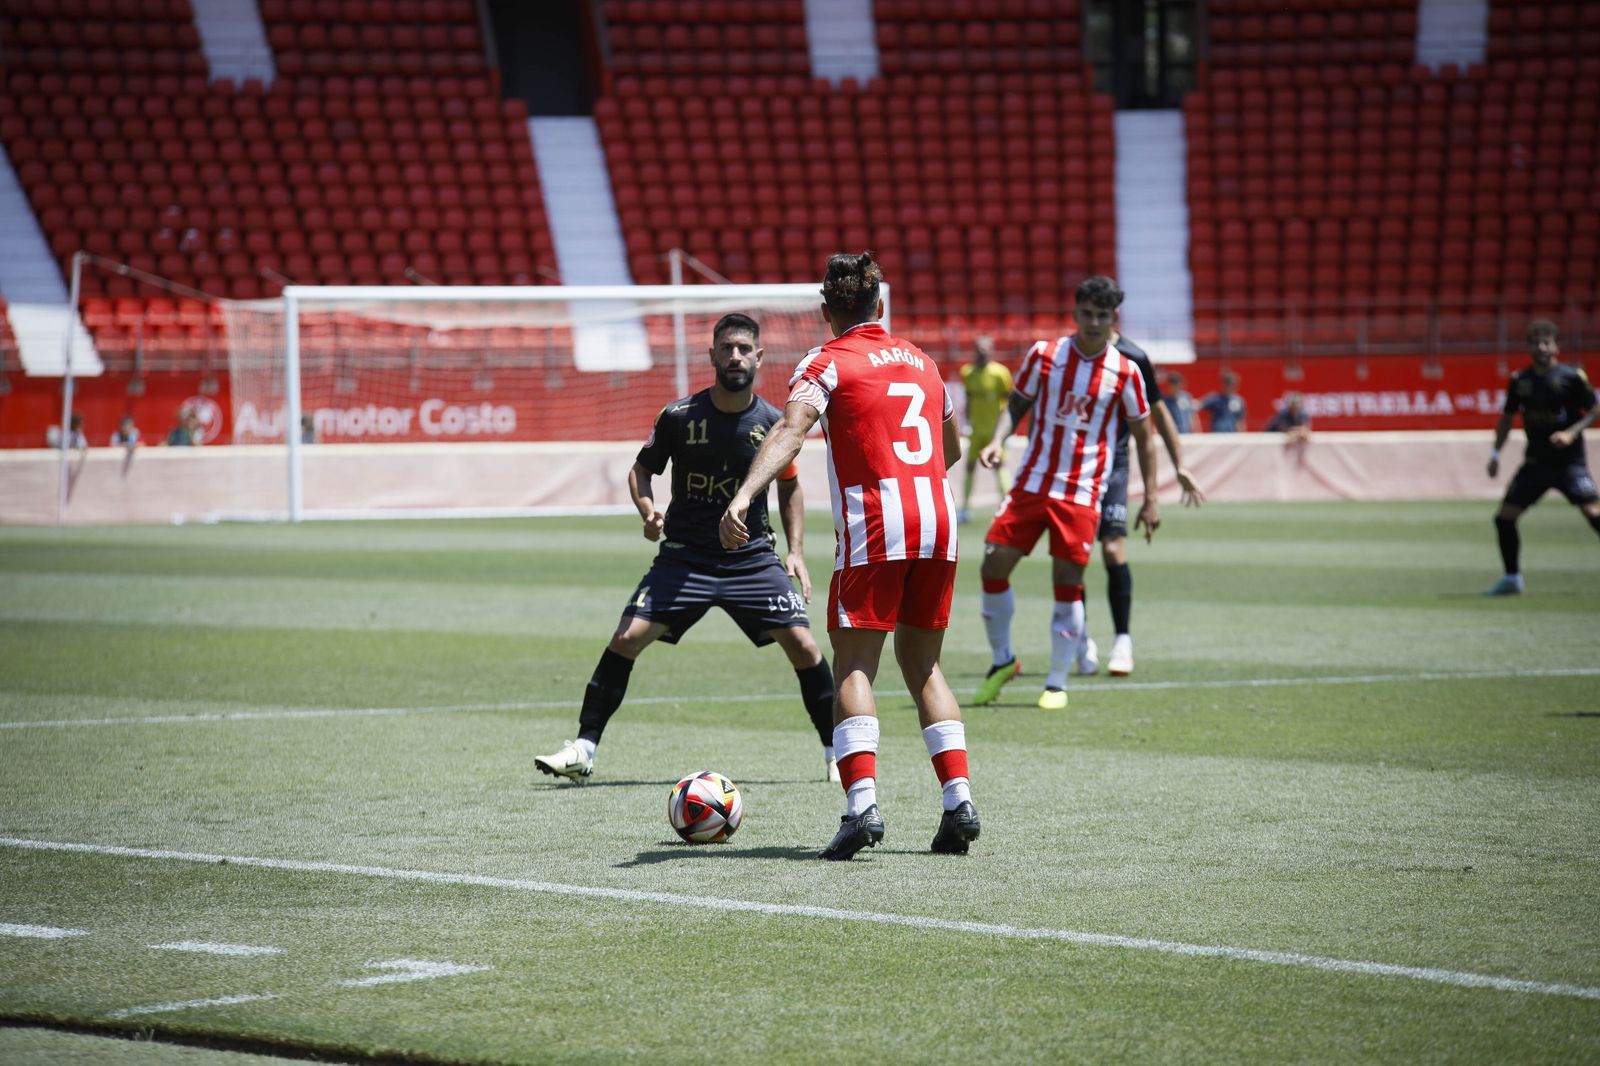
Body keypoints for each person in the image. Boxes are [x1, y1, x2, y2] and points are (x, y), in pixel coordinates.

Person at [720, 251, 977, 861]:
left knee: (855, 665)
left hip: (878, 523)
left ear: (826, 310)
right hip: (939, 523)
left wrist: (744, 494)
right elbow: (953, 450)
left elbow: (789, 430)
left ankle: (861, 808)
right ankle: (959, 802)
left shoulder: (825, 362)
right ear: (879, 305)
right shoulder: (923, 361)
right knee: (926, 666)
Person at [534, 313, 838, 784]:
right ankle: (583, 748)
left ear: (759, 357)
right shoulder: (678, 416)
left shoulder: (774, 424)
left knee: (803, 644)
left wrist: (795, 550)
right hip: (684, 557)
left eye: (743, 348)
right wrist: (647, 510)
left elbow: (790, 488)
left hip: (752, 559)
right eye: (726, 348)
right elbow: (640, 471)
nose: (735, 356)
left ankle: (834, 753)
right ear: (712, 355)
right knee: (627, 638)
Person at [973, 275, 1161, 710]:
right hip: (1032, 482)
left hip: (1080, 491)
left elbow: (1144, 437)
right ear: (1074, 313)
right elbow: (1017, 404)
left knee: (1067, 583)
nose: (1093, 322)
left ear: (1113, 319)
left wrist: (1150, 497)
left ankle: (1056, 682)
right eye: (1086, 314)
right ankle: (1004, 659)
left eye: (1102, 316)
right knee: (993, 562)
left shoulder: (1125, 371)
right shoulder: (1045, 355)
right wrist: (998, 440)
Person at [1080, 331, 1204, 678]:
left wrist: (1173, 471)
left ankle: (1122, 642)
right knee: (1073, 554)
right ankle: (1081, 640)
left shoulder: (1133, 356)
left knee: (1113, 550)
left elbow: (1158, 413)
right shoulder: (1065, 353)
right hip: (1072, 465)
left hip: (1114, 464)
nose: (1094, 321)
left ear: (1113, 315)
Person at [1484, 319, 1600, 595]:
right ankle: (1512, 579)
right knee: (1504, 518)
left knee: (1594, 513)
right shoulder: (1519, 381)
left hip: (1570, 464)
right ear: (1530, 346)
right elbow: (1506, 419)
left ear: (1556, 346)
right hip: (1535, 464)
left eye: (1547, 342)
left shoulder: (1572, 377)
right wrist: (1495, 453)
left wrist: (1571, 432)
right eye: (1536, 342)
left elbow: (1595, 411)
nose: (1541, 347)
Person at [957, 335, 1013, 523]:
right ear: (974, 350)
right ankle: (964, 509)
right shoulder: (967, 372)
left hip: (993, 430)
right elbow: (968, 399)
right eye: (979, 348)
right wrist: (966, 424)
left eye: (986, 348)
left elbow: (1008, 403)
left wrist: (1003, 431)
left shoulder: (1000, 373)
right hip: (976, 429)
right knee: (970, 466)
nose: (982, 351)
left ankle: (1007, 507)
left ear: (991, 350)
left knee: (998, 465)